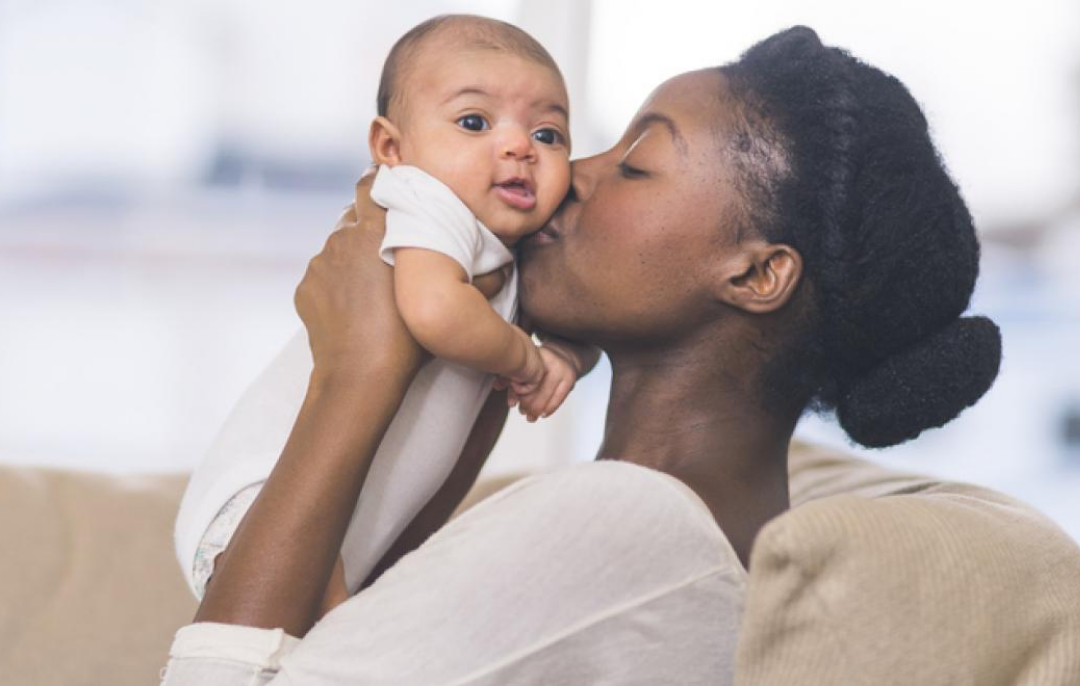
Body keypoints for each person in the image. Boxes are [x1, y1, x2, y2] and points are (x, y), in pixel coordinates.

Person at [161, 25, 1002, 685]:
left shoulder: (632, 525)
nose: (571, 174)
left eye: (636, 163)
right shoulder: (679, 532)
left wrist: (354, 376)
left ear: (756, 273)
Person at [172, 15, 599, 606]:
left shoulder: (515, 243)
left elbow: (590, 317)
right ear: (392, 148)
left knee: (343, 642)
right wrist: (530, 361)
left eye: (549, 135)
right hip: (260, 496)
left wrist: (571, 356)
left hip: (352, 519)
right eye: (474, 122)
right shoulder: (424, 199)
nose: (519, 146)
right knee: (328, 648)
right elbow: (435, 310)